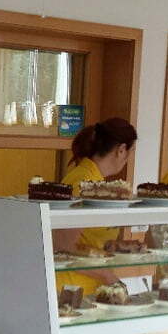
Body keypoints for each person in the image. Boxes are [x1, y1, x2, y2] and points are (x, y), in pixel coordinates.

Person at [54, 117, 137, 294]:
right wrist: (108, 277)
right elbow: (63, 247)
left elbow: (90, 238)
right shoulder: (84, 184)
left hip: (87, 288)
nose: (128, 159)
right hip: (70, 290)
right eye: (131, 152)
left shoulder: (96, 183)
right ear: (121, 150)